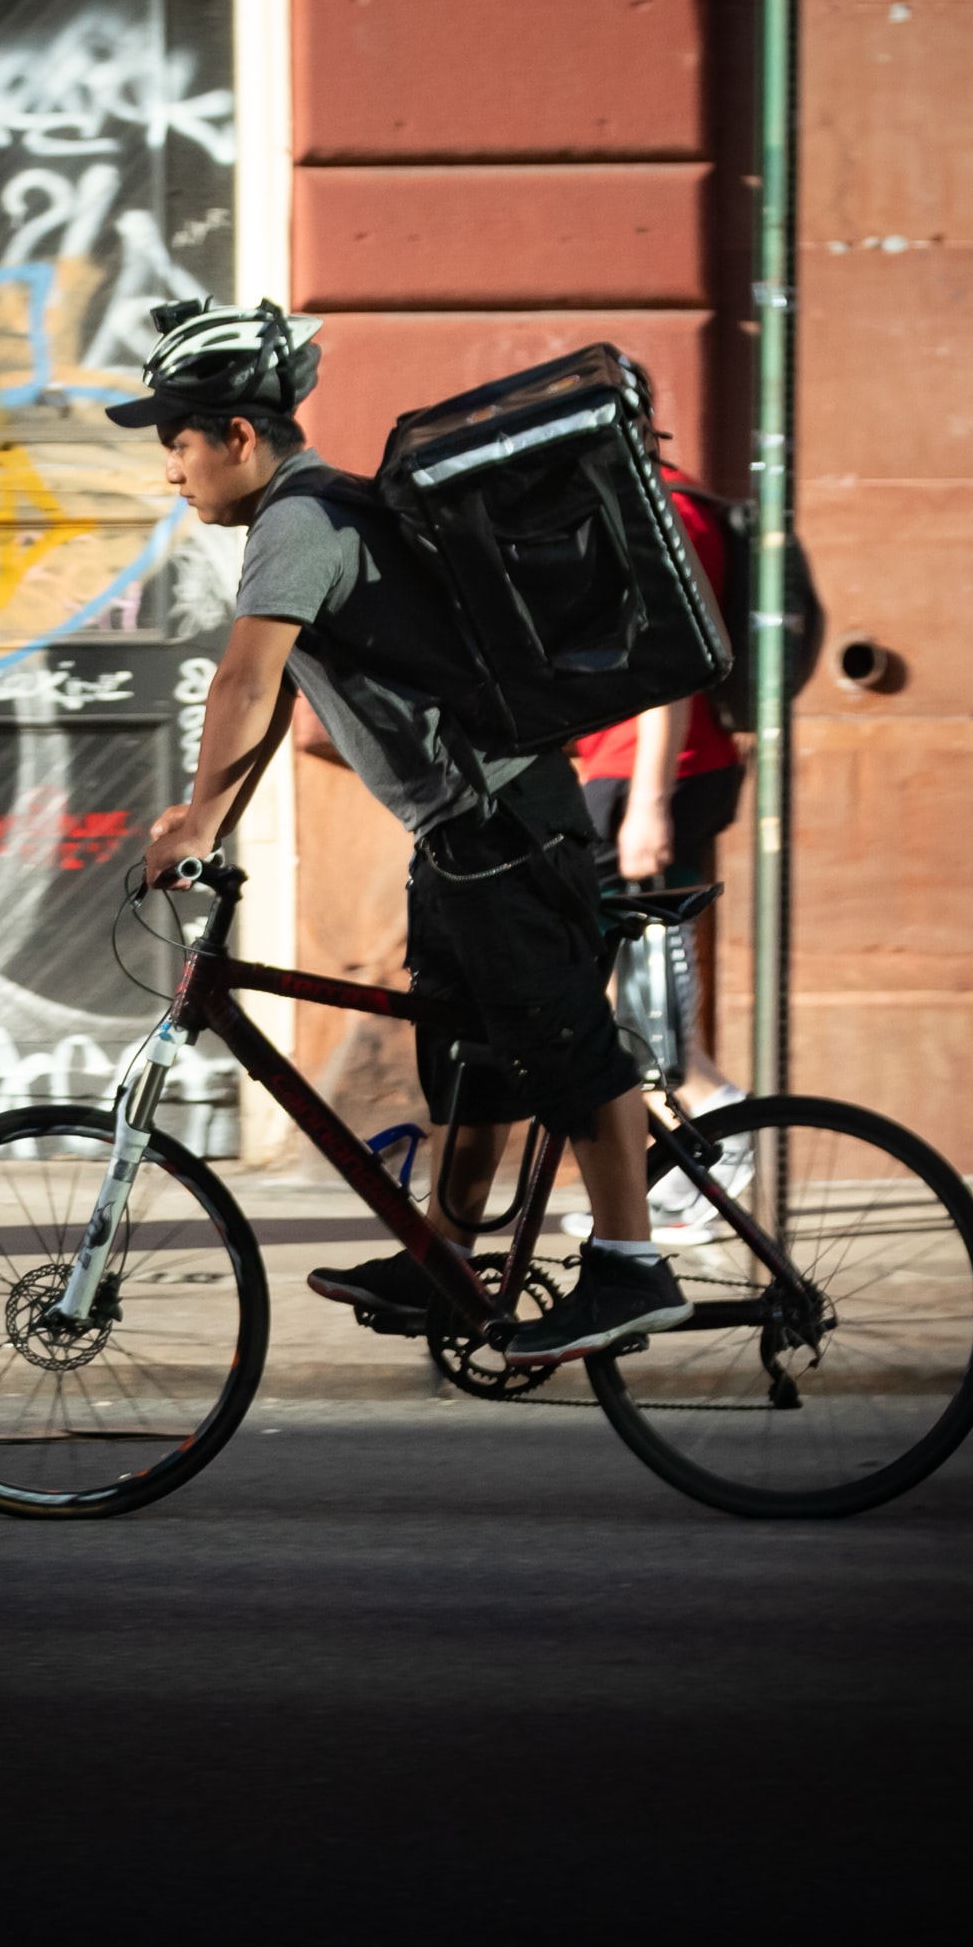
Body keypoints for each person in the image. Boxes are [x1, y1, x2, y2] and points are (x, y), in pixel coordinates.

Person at [123, 304, 690, 1367]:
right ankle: (448, 1258)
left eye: (178, 443)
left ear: (238, 436)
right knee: (472, 1060)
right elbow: (282, 705)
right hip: (462, 838)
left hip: (508, 824)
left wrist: (197, 816)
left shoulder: (298, 523)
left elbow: (246, 676)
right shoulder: (318, 515)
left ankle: (629, 1266)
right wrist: (210, 822)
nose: (172, 472)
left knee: (565, 1043)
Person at [570, 363, 750, 1244]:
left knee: (639, 990)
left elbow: (668, 666)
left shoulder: (667, 517)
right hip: (634, 771)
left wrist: (646, 802)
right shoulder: (659, 506)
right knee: (615, 988)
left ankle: (722, 1123)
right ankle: (688, 1163)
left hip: (650, 774)